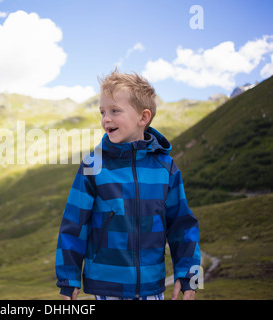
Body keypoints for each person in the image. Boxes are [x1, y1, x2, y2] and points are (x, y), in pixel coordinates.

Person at [55, 69, 201, 300]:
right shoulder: (93, 166)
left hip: (152, 289)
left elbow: (182, 225)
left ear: (143, 118)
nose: (106, 119)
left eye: (115, 111)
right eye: (102, 112)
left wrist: (191, 278)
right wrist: (67, 280)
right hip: (106, 288)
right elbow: (74, 226)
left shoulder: (166, 168)